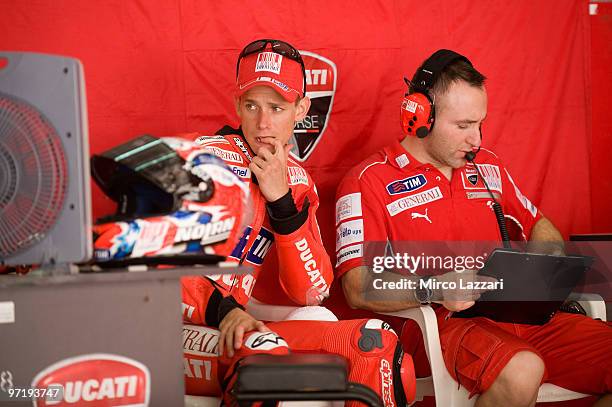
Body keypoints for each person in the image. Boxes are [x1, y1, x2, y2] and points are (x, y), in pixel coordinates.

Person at [334, 49, 611, 407]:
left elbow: (540, 225)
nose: (476, 140)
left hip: (520, 317)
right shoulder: (367, 180)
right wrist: (434, 288)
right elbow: (357, 287)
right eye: (463, 126)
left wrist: (544, 268)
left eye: (480, 124)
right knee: (523, 369)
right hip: (441, 325)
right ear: (419, 116)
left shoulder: (488, 166)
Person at [181, 38, 416, 405]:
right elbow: (154, 271)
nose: (263, 123)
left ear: (301, 108)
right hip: (172, 331)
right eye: (252, 105)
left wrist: (282, 204)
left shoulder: (297, 182)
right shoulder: (200, 160)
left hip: (239, 328)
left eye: (277, 107)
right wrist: (226, 311)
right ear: (237, 106)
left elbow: (310, 291)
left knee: (375, 348)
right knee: (264, 356)